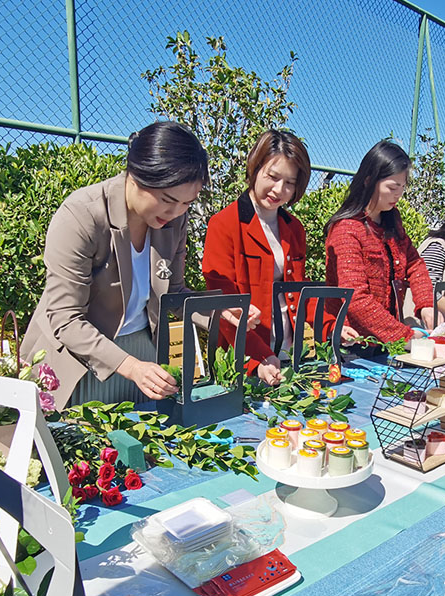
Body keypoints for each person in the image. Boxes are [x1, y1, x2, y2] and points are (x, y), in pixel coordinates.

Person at [21, 121, 259, 409]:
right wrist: (131, 367)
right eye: (167, 199)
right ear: (135, 176)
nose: (176, 212)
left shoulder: (174, 220)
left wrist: (218, 310)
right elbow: (65, 319)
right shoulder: (82, 216)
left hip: (142, 356)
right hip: (78, 364)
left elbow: (174, 293)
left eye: (187, 203)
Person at [203, 130, 357, 386]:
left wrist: (332, 327)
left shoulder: (294, 228)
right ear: (255, 168)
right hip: (242, 360)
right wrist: (258, 358)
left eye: (289, 183)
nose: (279, 190)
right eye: (272, 177)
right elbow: (225, 305)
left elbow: (300, 292)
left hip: (287, 354)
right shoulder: (224, 224)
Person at [324, 140, 435, 343]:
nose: (398, 194)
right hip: (353, 343)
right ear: (369, 180)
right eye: (392, 187)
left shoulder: (392, 221)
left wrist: (426, 303)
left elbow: (414, 263)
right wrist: (404, 336)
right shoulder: (347, 229)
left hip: (386, 341)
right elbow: (355, 298)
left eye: (402, 187)